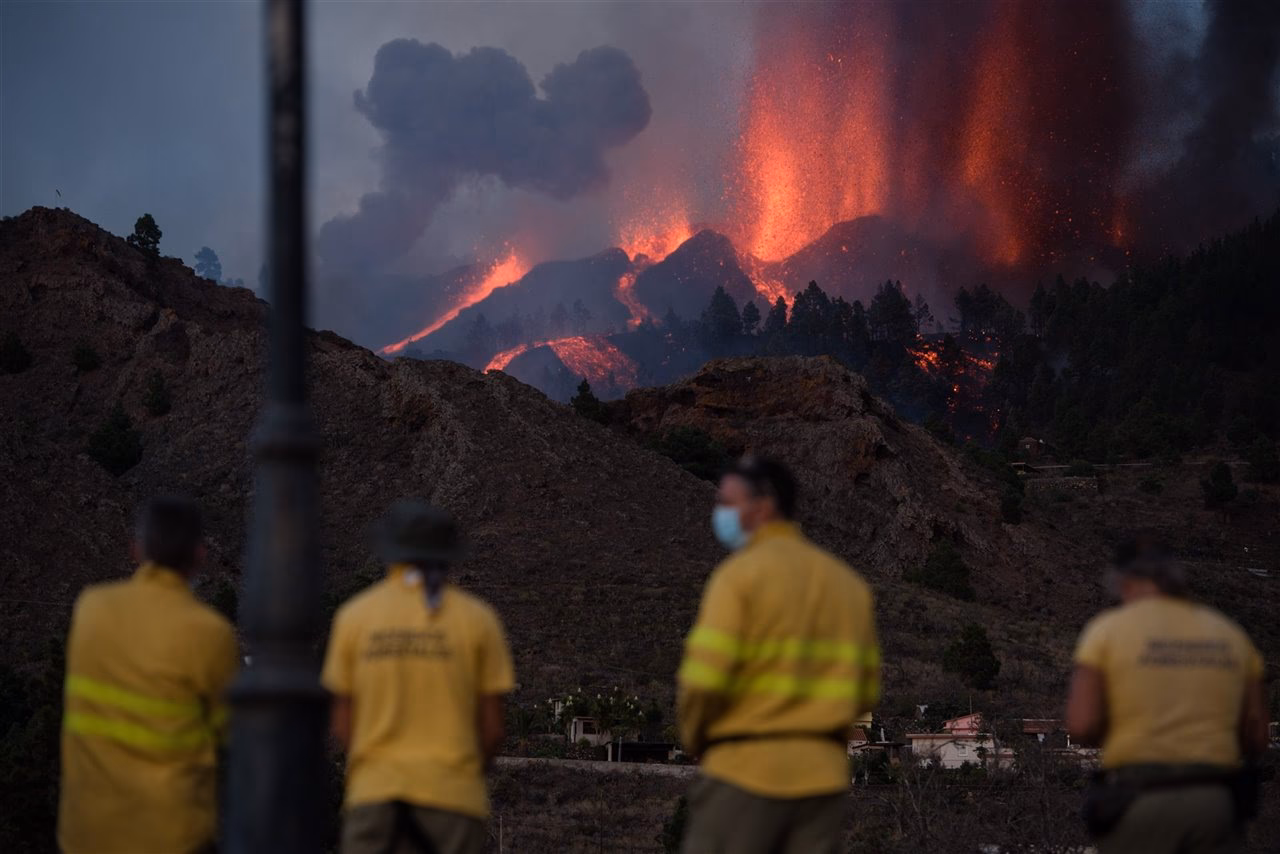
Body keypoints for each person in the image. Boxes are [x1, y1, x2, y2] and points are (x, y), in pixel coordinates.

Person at [677, 456, 880, 854]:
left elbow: (703, 682)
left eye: (728, 502)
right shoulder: (848, 586)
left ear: (764, 505)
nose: (720, 513)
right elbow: (865, 692)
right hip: (821, 787)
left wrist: (695, 739)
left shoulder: (739, 577)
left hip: (745, 775)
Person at [322, 499, 515, 854]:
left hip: (376, 800)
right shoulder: (479, 620)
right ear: (448, 554)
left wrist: (376, 771)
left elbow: (342, 724)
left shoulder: (354, 618)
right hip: (454, 803)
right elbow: (492, 730)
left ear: (390, 552)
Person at [1066, 535, 1270, 853]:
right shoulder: (1231, 635)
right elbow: (1257, 736)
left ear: (1124, 583)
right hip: (1215, 804)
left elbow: (1081, 725)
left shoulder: (1107, 631)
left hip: (1139, 801)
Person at [58, 496, 238, 854]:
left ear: (136, 550)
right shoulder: (210, 633)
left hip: (87, 833)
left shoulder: (90, 608)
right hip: (172, 835)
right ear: (200, 555)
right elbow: (233, 732)